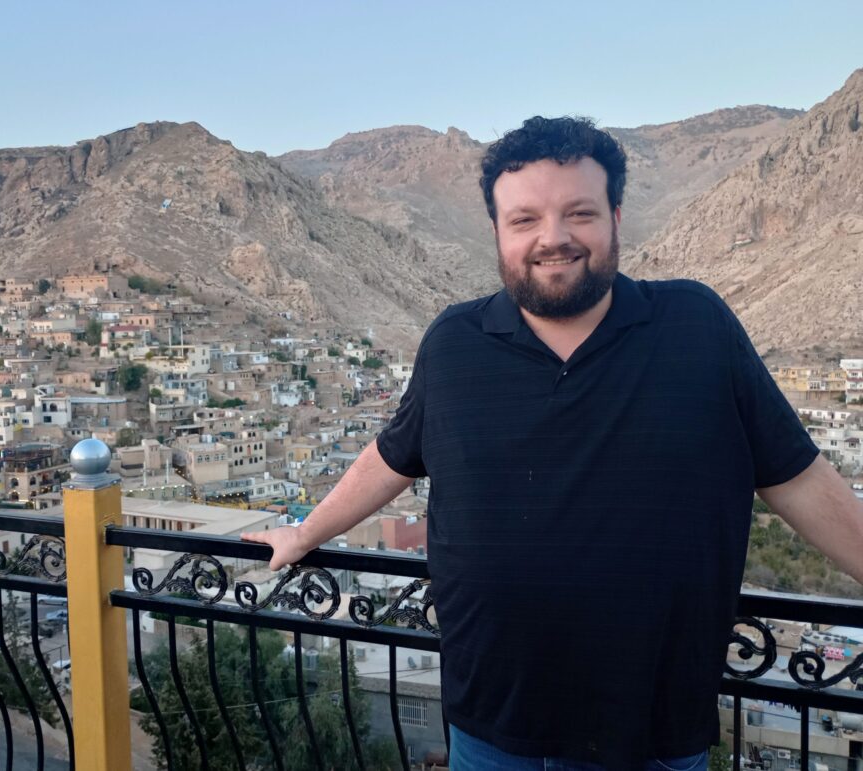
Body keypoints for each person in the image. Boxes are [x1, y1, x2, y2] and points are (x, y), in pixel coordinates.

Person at [242, 116, 863, 769]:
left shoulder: (697, 328)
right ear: (498, 233)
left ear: (617, 217)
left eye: (579, 212)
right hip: (491, 725)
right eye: (526, 219)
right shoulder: (453, 343)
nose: (554, 237)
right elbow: (392, 455)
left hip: (649, 728)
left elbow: (798, 476)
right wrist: (304, 533)